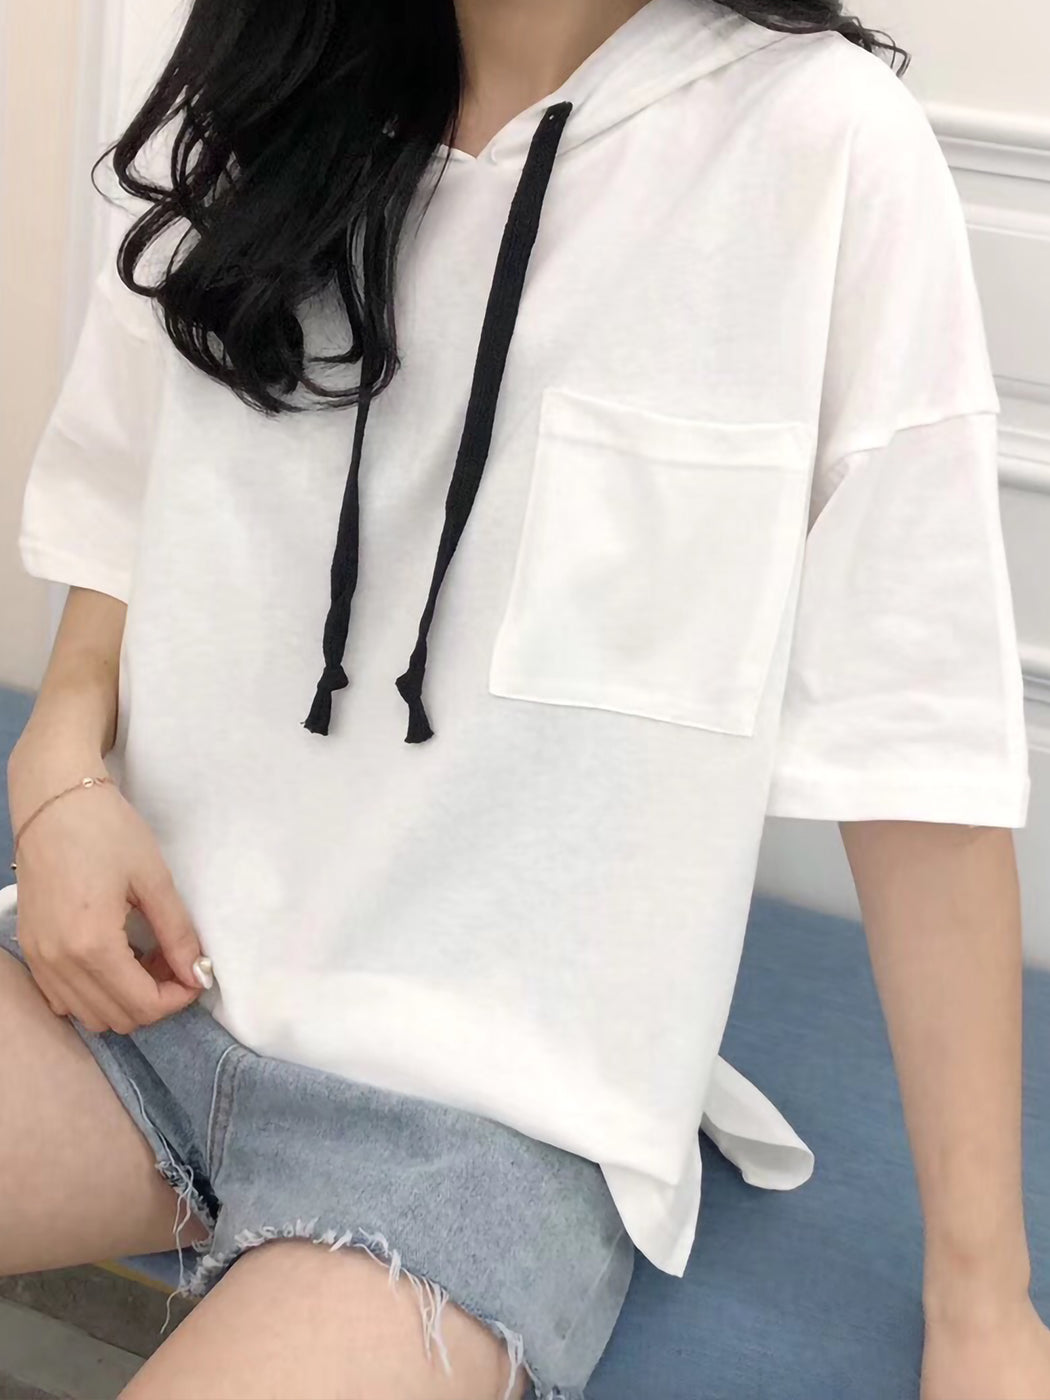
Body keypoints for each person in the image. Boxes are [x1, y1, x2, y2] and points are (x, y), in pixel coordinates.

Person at [2, 0, 1048, 1396]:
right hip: (144, 986)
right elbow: (129, 501)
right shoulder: (265, 80)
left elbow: (915, 746)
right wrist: (57, 779)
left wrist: (984, 1306)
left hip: (485, 1124)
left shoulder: (823, 145)